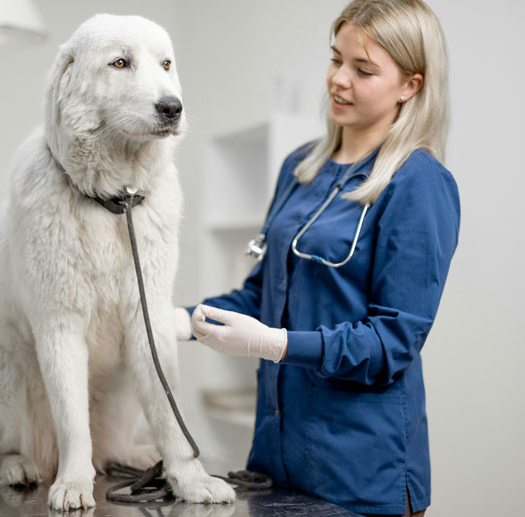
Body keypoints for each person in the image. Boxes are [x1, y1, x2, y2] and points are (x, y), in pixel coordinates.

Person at [174, 1, 459, 515]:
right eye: (336, 60)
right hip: (276, 463)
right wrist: (185, 320)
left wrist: (276, 344)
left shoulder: (418, 183)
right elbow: (263, 292)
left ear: (410, 86)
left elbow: (392, 341)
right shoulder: (300, 168)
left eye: (363, 70)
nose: (339, 80)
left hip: (360, 475)